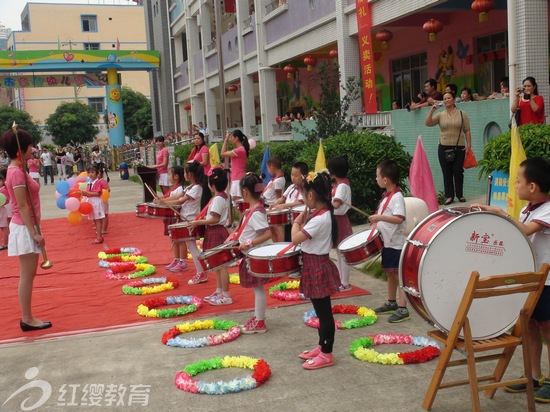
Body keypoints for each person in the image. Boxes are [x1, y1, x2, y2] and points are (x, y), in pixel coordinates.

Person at [472, 157, 550, 402]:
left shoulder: (548, 209)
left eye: (518, 181)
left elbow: (525, 231)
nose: (515, 185)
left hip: (548, 284)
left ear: (533, 187)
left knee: (549, 333)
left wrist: (498, 212)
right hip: (532, 282)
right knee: (530, 329)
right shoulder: (528, 210)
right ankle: (534, 376)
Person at [0, 128, 51, 331]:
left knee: (28, 275)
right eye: (29, 145)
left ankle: (27, 316)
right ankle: (27, 318)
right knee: (27, 275)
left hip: (25, 226)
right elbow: (22, 206)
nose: (33, 148)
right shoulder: (16, 173)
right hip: (24, 228)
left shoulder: (18, 170)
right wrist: (35, 233)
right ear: (20, 149)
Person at [292, 171, 341, 369]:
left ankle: (327, 353)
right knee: (321, 311)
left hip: (317, 266)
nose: (304, 199)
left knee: (324, 313)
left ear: (311, 196)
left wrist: (296, 221)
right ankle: (322, 346)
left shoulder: (320, 219)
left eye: (304, 195)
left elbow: (295, 238)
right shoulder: (322, 213)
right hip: (315, 264)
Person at [371, 160, 408, 323]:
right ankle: (391, 302)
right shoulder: (387, 196)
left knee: (399, 275)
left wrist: (379, 217)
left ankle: (403, 308)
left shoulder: (397, 197)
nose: (376, 179)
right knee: (390, 273)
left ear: (385, 179)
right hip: (388, 242)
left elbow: (399, 218)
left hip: (396, 243)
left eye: (377, 176)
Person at [234, 173, 272, 332]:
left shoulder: (256, 212)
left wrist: (249, 243)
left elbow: (267, 233)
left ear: (245, 192)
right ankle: (258, 317)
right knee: (257, 289)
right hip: (250, 255)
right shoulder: (252, 209)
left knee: (258, 288)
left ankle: (260, 321)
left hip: (254, 255)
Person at [189, 166, 232, 302]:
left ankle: (226, 295)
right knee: (217, 265)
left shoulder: (218, 199)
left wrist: (198, 223)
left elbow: (215, 219)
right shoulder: (220, 197)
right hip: (215, 231)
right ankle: (219, 291)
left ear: (211, 185)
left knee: (222, 266)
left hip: (217, 231)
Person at [425, 91, 472, 205]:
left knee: (458, 171)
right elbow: (428, 123)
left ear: (454, 99)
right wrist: (432, 110)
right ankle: (449, 196)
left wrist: (469, 144)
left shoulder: (462, 113)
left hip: (459, 146)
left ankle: (460, 195)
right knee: (446, 172)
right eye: (444, 98)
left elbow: (467, 130)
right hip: (443, 147)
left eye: (448, 98)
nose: (446, 100)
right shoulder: (441, 115)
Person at [158, 163, 202, 274]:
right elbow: (177, 197)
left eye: (185, 172)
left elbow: (181, 200)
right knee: (189, 245)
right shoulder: (189, 187)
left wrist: (164, 201)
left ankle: (199, 271)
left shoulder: (197, 188)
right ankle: (199, 271)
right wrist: (163, 200)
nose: (184, 174)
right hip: (185, 217)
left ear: (190, 174)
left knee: (191, 247)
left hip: (190, 219)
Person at [327, 156, 353, 292]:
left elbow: (336, 204)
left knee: (342, 253)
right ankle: (341, 281)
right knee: (338, 252)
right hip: (337, 219)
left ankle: (345, 283)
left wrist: (324, 205)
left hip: (340, 220)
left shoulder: (342, 186)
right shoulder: (340, 184)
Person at [270, 161, 307, 244]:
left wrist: (284, 205)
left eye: (296, 176)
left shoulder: (305, 189)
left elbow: (301, 202)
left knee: (298, 241)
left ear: (303, 176)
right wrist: (276, 202)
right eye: (292, 175)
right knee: (288, 240)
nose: (293, 178)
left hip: (299, 220)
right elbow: (283, 198)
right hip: (289, 219)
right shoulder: (291, 187)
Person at [221, 129, 249, 208]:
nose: (231, 139)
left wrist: (226, 139)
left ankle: (242, 220)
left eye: (231, 137)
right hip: (236, 178)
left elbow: (223, 153)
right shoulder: (240, 150)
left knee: (241, 205)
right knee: (238, 205)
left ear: (236, 138)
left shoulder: (239, 150)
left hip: (238, 178)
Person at [81, 165, 106, 244]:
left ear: (97, 173)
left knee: (98, 220)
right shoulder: (89, 183)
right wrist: (83, 193)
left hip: (96, 202)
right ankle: (99, 235)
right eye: (89, 172)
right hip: (91, 201)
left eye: (92, 172)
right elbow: (88, 194)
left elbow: (97, 193)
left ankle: (99, 237)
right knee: (95, 220)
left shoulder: (97, 182)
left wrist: (87, 192)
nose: (90, 174)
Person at [264, 156, 285, 242]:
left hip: (272, 206)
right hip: (269, 205)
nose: (268, 170)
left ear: (272, 167)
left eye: (268, 168)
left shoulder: (278, 180)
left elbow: (279, 196)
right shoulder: (276, 179)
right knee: (271, 228)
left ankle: (280, 246)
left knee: (277, 229)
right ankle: (275, 244)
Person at [188, 132, 212, 209]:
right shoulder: (196, 150)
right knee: (203, 195)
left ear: (202, 139)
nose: (196, 140)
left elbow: (204, 162)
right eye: (195, 138)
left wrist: (195, 163)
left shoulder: (204, 148)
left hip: (205, 174)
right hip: (199, 174)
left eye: (198, 138)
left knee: (205, 195)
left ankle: (205, 211)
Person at [0, 169, 10, 250]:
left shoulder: (3, 190)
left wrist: (2, 203)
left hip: (2, 211)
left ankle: (5, 243)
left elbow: (7, 200)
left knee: (4, 227)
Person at [98, 167, 110, 235]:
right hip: (100, 200)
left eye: (98, 174)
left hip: (104, 200)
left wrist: (103, 192)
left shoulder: (102, 181)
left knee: (105, 215)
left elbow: (108, 189)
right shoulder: (98, 181)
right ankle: (101, 227)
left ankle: (104, 229)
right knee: (100, 214)